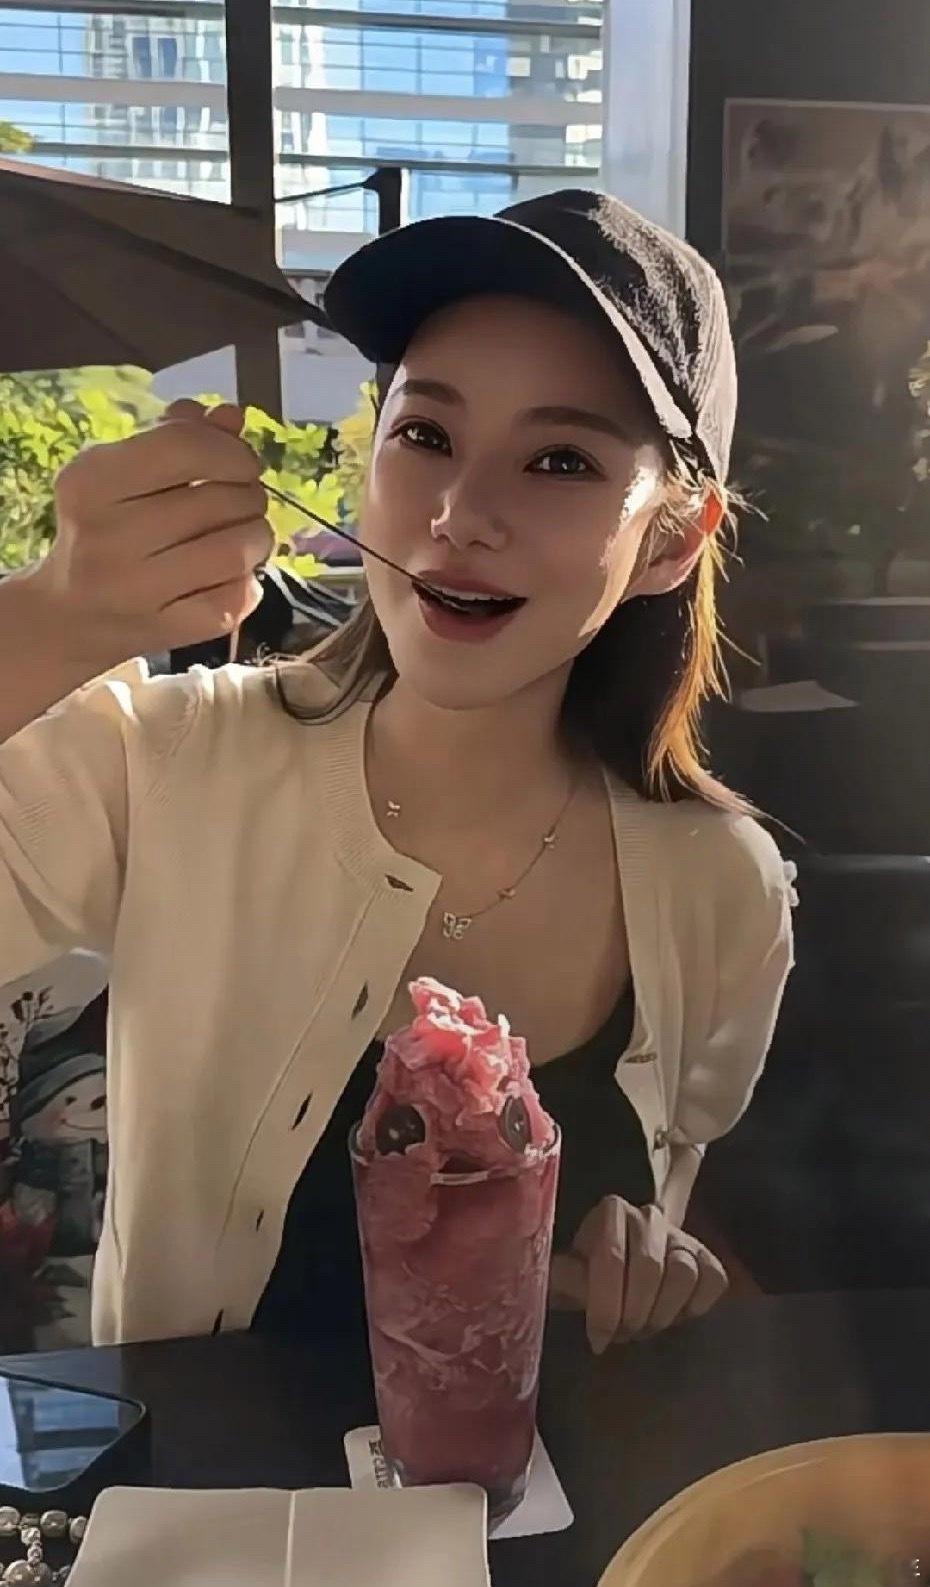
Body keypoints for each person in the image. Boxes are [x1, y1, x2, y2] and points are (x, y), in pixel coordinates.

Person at [0, 189, 794, 1354]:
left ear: (671, 540)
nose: (462, 515)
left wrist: (652, 1263)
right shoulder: (162, 762)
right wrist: (49, 617)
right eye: (426, 436)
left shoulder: (722, 887)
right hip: (201, 1476)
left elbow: (679, 1194)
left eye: (561, 460)